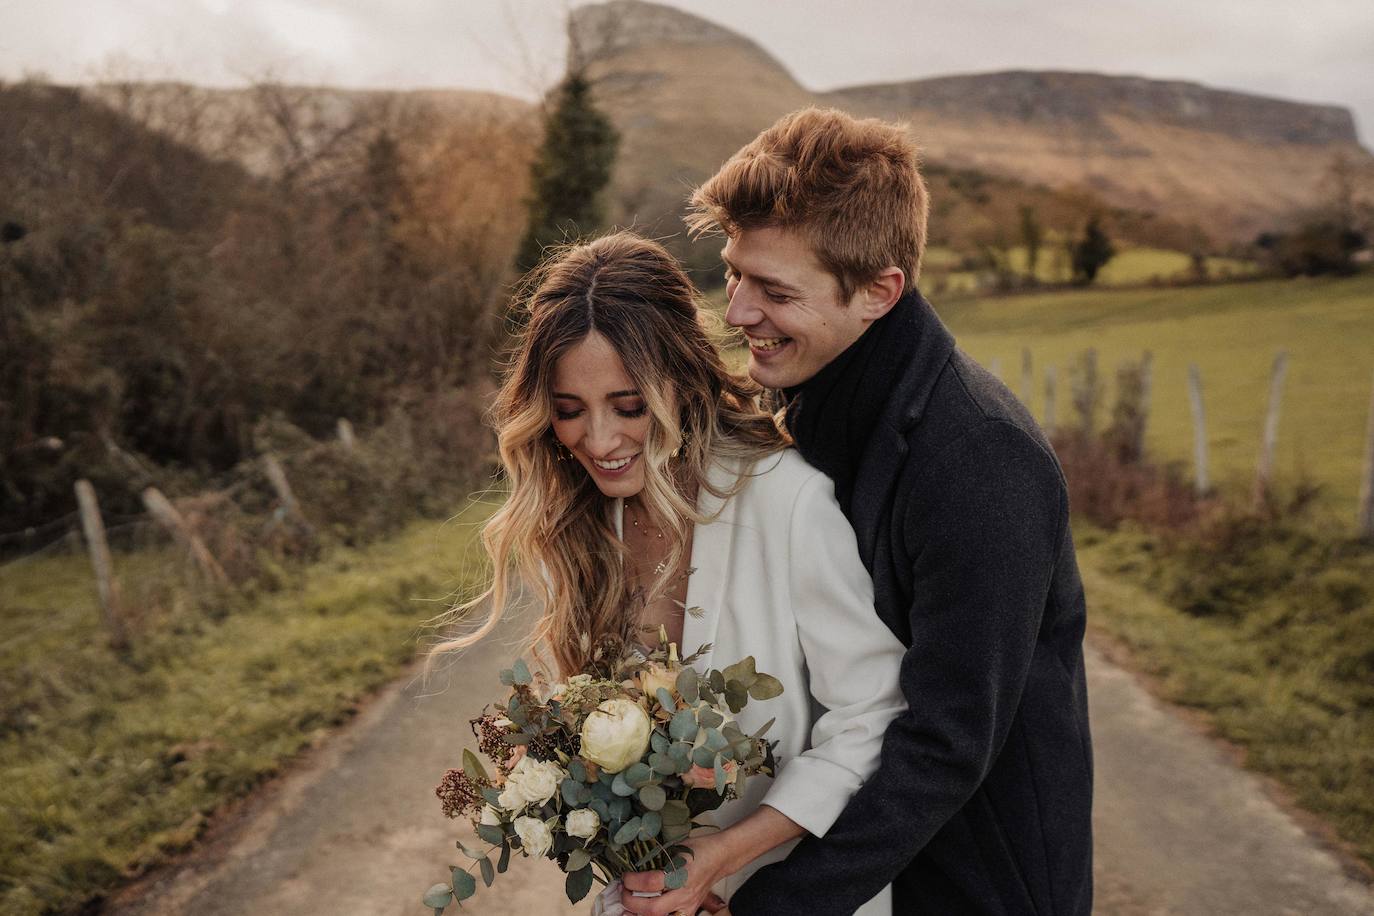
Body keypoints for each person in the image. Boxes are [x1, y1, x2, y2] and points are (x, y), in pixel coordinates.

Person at [664, 107, 1095, 915]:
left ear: (878, 292)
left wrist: (772, 905)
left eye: (775, 290)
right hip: (859, 865)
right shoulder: (808, 394)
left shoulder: (982, 462)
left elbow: (946, 743)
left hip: (970, 882)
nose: (738, 312)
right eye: (734, 273)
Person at [431, 231, 907, 914]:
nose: (598, 440)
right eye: (569, 411)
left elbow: (872, 715)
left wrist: (719, 858)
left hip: (796, 892)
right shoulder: (584, 527)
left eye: (628, 407)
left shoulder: (787, 499)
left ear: (681, 383)